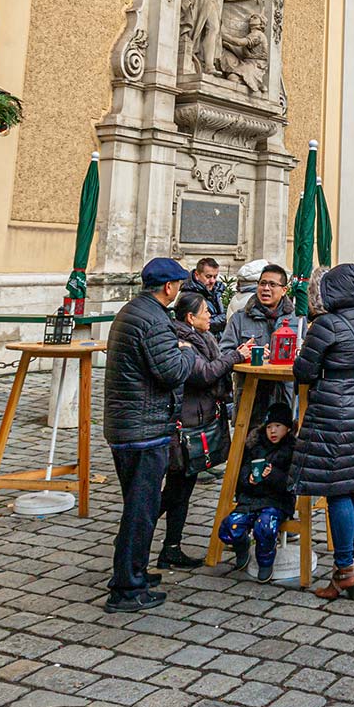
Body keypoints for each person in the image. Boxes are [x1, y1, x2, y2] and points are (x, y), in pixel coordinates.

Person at [103, 257, 195, 612]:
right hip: (143, 428)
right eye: (179, 285)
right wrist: (186, 353)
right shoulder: (154, 320)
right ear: (169, 287)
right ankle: (127, 587)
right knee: (141, 510)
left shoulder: (132, 311)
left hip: (128, 424)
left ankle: (133, 571)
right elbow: (171, 371)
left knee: (139, 505)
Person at [292, 263, 354, 601]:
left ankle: (344, 572)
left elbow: (304, 371)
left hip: (334, 410)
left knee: (337, 492)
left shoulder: (325, 325)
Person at [156, 291, 248, 568]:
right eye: (205, 312)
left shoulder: (204, 338)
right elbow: (203, 373)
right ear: (190, 317)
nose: (210, 315)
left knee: (182, 488)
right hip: (184, 424)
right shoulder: (181, 341)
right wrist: (235, 357)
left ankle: (171, 547)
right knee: (175, 489)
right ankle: (135, 530)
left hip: (200, 419)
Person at [218, 401, 296, 581]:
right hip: (249, 500)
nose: (273, 431)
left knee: (265, 527)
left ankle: (265, 561)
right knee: (230, 527)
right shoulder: (254, 445)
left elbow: (291, 483)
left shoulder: (291, 450)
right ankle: (242, 545)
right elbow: (243, 471)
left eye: (278, 426)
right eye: (269, 427)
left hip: (275, 502)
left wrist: (272, 475)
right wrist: (248, 479)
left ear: (287, 429)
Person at [222, 262, 292, 415]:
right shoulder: (239, 319)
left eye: (272, 284)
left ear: (284, 290)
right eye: (262, 283)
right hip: (251, 398)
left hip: (286, 398)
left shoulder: (295, 320)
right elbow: (223, 354)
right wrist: (243, 354)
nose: (266, 288)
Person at [190, 256, 226, 329]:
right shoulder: (190, 295)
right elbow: (197, 322)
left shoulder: (217, 291)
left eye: (215, 277)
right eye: (208, 276)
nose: (212, 281)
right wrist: (225, 318)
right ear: (197, 275)